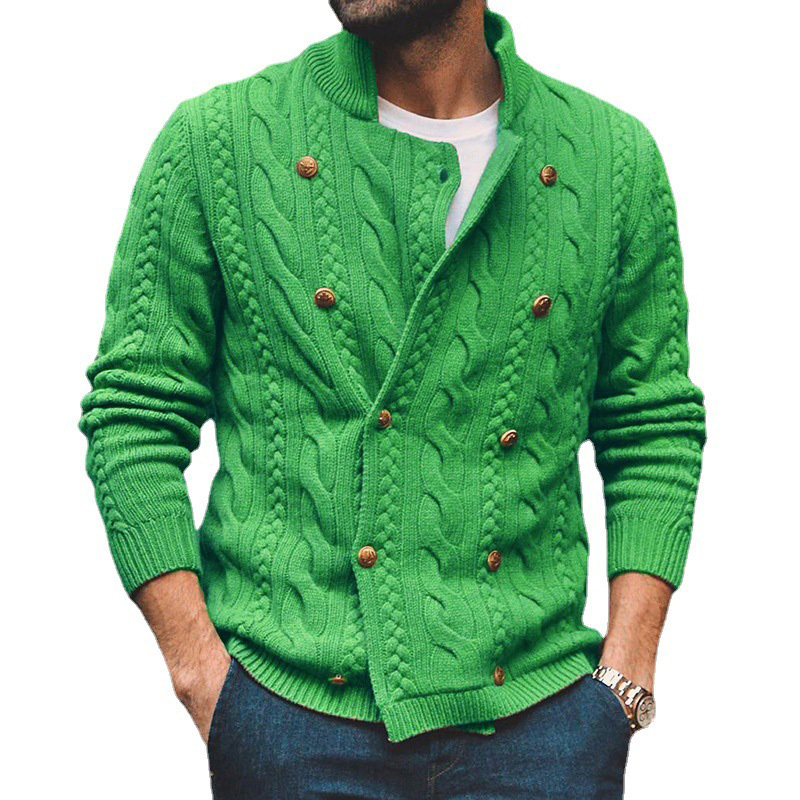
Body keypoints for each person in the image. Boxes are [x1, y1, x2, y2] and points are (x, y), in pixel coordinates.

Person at [78, 1, 706, 797]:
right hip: (290, 712)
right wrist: (204, 678)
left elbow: (650, 422)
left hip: (543, 717)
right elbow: (134, 413)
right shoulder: (219, 141)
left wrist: (624, 680)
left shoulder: (611, 159)